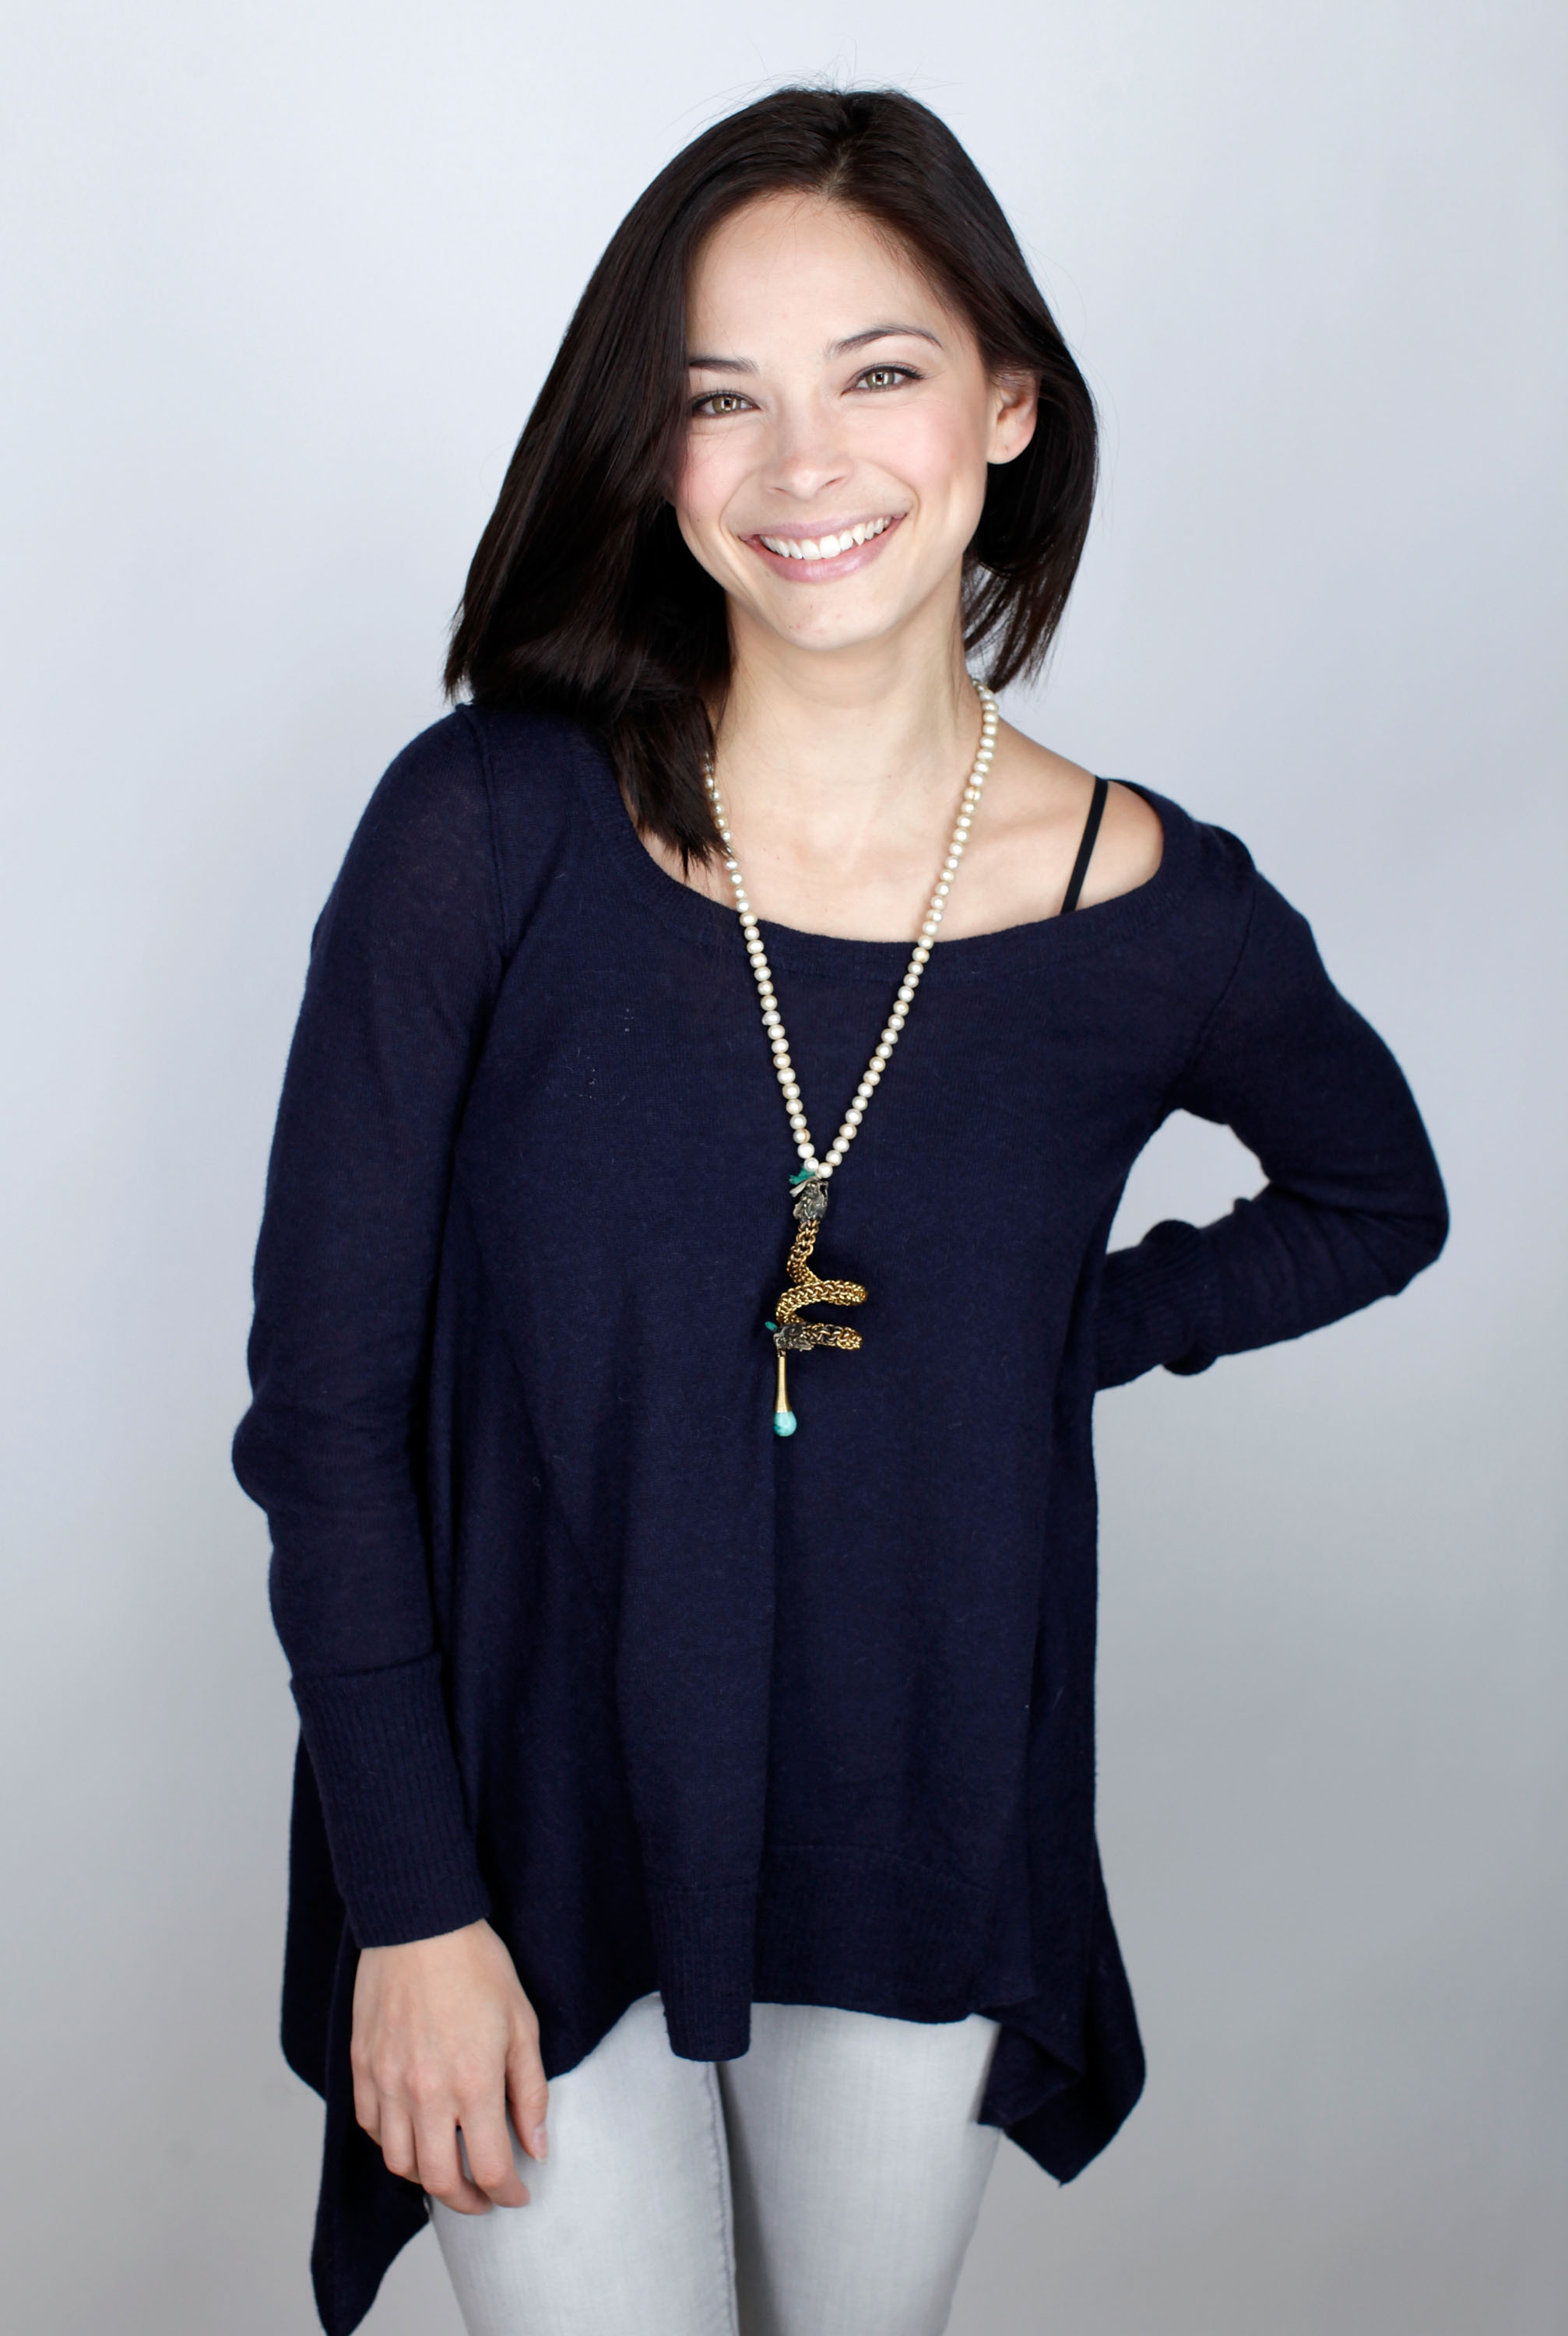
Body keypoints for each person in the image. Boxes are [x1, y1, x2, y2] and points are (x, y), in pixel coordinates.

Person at [234, 85, 1447, 2336]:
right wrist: (407, 1900)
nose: (806, 464)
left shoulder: (1155, 913)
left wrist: (1053, 1329)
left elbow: (1381, 1197)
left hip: (920, 1800)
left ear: (1007, 404)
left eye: (880, 372)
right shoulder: (483, 829)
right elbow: (323, 1421)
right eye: (723, 399)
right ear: (651, 452)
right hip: (519, 1827)